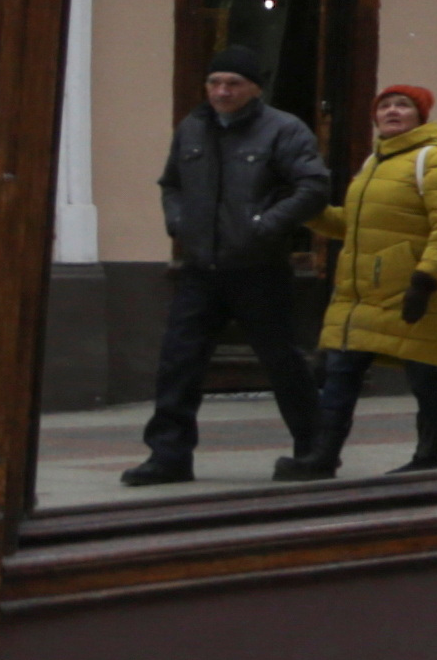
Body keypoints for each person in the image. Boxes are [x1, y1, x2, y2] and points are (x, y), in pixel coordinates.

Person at [127, 58, 331, 485]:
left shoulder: (284, 129)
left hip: (259, 267)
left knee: (284, 362)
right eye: (214, 82)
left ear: (255, 88)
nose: (222, 91)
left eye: (233, 83)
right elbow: (172, 183)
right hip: (201, 268)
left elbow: (313, 186)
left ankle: (315, 451)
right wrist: (178, 222)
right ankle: (169, 456)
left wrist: (265, 225)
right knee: (178, 362)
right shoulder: (192, 128)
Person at [295, 83, 437, 478]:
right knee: (342, 369)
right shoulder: (374, 163)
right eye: (385, 106)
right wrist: (310, 211)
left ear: (420, 116)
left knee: (427, 373)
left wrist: (424, 281)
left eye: (403, 106)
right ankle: (322, 458)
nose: (392, 111)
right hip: (365, 294)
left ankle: (432, 456)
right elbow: (352, 226)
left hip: (415, 290)